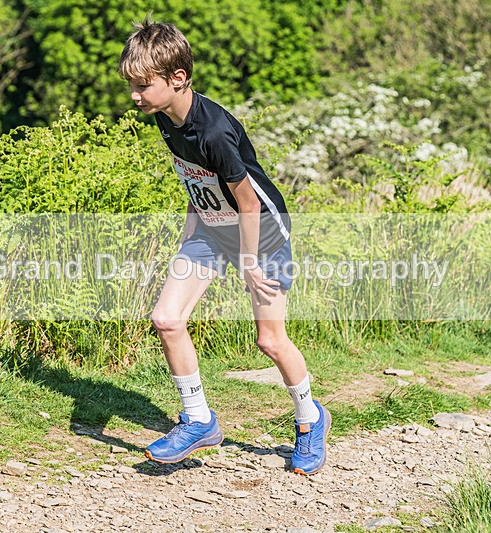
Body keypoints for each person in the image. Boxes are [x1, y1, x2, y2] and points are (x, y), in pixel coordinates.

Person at [118, 16, 330, 475]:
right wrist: (192, 228)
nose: (134, 96)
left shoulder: (212, 130)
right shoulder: (167, 118)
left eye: (142, 86)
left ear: (177, 79)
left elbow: (248, 201)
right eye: (131, 85)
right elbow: (198, 180)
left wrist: (250, 264)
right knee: (166, 319)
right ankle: (198, 420)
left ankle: (311, 419)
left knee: (270, 341)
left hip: (264, 238)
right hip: (213, 233)